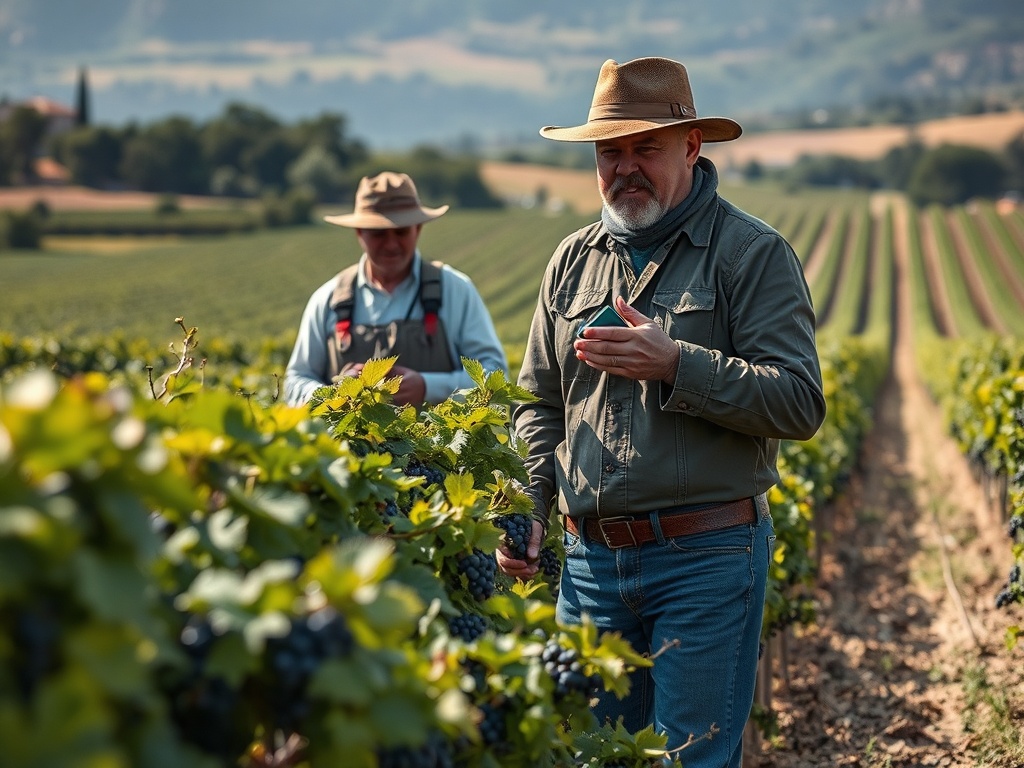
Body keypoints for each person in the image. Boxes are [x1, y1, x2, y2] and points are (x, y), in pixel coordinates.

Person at [497, 57, 826, 766]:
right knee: (589, 754)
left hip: (704, 558)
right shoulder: (570, 260)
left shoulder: (750, 254)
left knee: (689, 761)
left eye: (646, 147)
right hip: (588, 566)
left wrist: (679, 363)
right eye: (610, 152)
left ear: (691, 146)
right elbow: (536, 402)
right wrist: (530, 502)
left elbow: (799, 402)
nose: (626, 168)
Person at [284, 171, 508, 407]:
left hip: (438, 444)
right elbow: (295, 382)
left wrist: (427, 387)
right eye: (378, 234)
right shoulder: (328, 299)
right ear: (359, 233)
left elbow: (496, 375)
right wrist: (335, 394)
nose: (391, 244)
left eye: (401, 232)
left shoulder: (456, 290)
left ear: (418, 229)